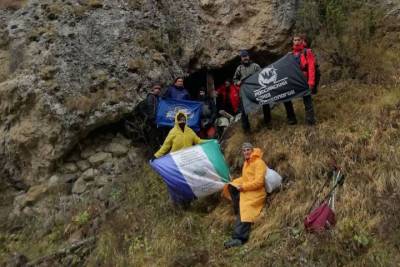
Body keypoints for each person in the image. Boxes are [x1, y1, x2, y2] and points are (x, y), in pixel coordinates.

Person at [224, 142, 267, 248]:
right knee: (231, 187)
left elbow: (259, 182)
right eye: (244, 150)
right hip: (249, 189)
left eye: (248, 150)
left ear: (252, 150)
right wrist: (235, 182)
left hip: (257, 192)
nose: (246, 152)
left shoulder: (259, 162)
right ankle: (238, 210)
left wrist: (243, 187)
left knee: (246, 208)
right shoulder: (246, 162)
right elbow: (245, 178)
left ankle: (239, 238)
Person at [291, 34, 317, 125]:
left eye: (298, 40)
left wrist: (311, 82)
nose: (297, 42)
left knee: (307, 100)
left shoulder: (307, 51)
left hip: (305, 79)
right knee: (288, 98)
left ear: (302, 41)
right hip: (296, 80)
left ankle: (310, 122)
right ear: (293, 41)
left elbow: (311, 67)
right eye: (295, 40)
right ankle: (292, 120)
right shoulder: (291, 54)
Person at [233, 50, 261, 131]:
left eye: (246, 56)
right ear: (241, 58)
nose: (245, 58)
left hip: (256, 91)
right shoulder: (239, 68)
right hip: (244, 93)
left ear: (249, 56)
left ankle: (267, 121)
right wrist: (238, 82)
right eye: (243, 57)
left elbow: (262, 75)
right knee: (244, 111)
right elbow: (235, 79)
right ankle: (246, 130)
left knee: (265, 104)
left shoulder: (255, 66)